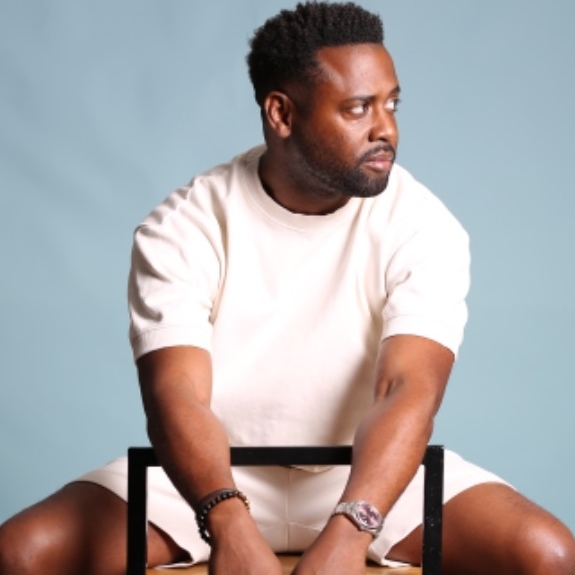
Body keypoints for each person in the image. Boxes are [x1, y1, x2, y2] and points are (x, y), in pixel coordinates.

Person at [1, 2, 574, 575]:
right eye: (358, 108)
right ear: (281, 113)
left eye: (392, 103)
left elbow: (407, 390)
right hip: (206, 478)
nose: (386, 129)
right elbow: (175, 393)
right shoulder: (185, 224)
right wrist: (226, 522)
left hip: (365, 478)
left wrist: (351, 531)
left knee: (547, 556)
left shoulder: (423, 224)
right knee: (21, 553)